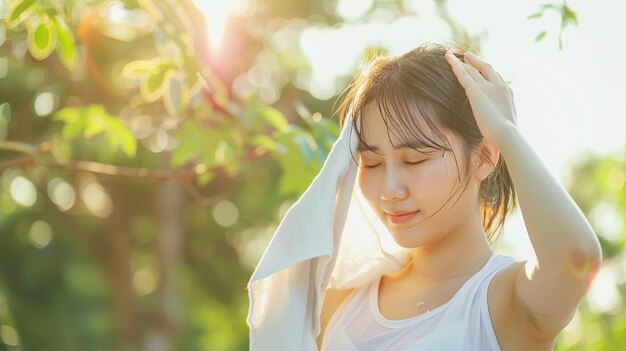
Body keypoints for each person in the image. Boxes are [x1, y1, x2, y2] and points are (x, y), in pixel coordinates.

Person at [313, 43, 602, 350]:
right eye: (372, 163)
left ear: (484, 159)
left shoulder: (503, 301)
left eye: (414, 160)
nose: (389, 190)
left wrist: (505, 131)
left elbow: (577, 259)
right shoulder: (344, 293)